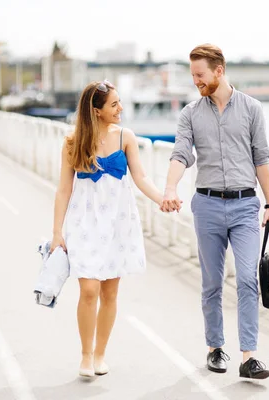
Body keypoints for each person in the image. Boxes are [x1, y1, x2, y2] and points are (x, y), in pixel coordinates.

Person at [161, 44, 269, 380]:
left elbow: (262, 159)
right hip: (207, 205)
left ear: (219, 71)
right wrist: (170, 187)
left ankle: (249, 356)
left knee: (246, 279)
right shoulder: (191, 114)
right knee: (212, 283)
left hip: (244, 206)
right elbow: (181, 154)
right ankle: (215, 348)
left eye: (200, 74)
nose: (196, 81)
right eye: (193, 75)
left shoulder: (252, 109)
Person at [50, 80, 163, 377]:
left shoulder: (126, 136)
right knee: (89, 289)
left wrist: (164, 199)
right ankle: (85, 356)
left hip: (117, 221)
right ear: (96, 110)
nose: (120, 108)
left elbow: (140, 177)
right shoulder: (73, 141)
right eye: (114, 104)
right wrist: (56, 233)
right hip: (84, 221)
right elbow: (63, 189)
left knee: (110, 293)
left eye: (119, 102)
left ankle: (100, 355)